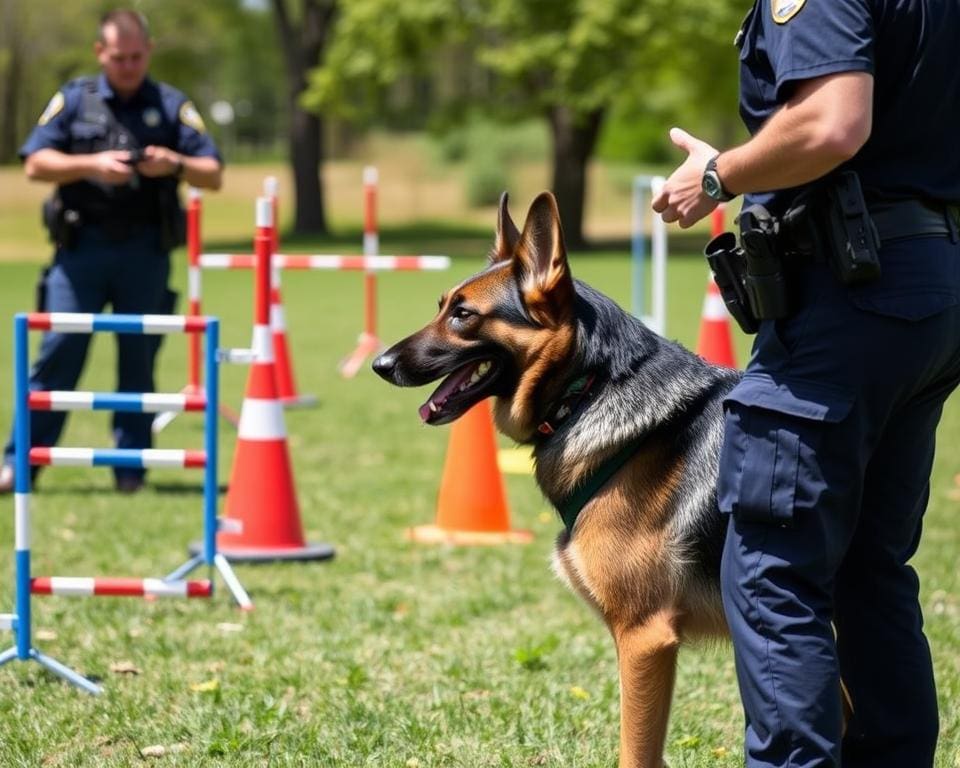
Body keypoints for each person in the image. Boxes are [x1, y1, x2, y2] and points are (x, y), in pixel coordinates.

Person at [652, 1, 960, 766]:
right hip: (929, 284)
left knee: (771, 564)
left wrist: (719, 174)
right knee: (870, 566)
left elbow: (830, 124)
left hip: (851, 296)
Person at [0, 9, 222, 495]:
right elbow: (35, 163)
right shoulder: (75, 100)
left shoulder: (169, 105)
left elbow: (213, 172)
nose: (127, 65)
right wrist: (91, 165)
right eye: (118, 57)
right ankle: (19, 465)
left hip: (145, 250)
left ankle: (130, 471)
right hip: (81, 251)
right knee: (57, 354)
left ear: (150, 51)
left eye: (136, 56)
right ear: (100, 53)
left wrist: (175, 163)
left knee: (138, 360)